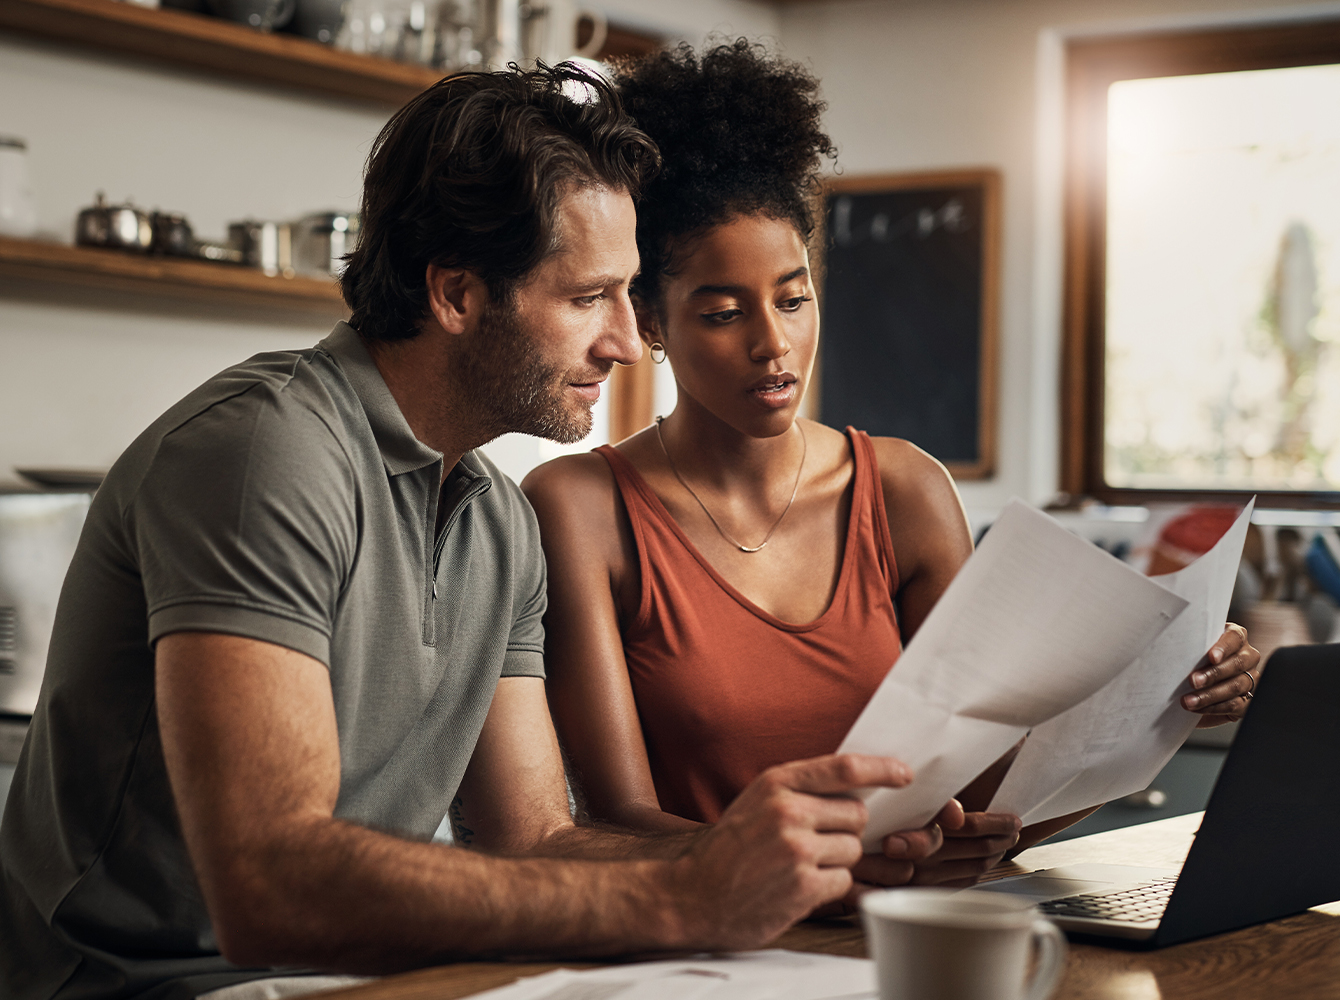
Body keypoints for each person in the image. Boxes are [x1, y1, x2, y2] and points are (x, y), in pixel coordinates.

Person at [0, 65, 939, 1000]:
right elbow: (269, 884)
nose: (622, 340)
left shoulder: (497, 518)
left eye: (627, 297)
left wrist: (788, 863)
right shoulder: (266, 453)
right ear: (455, 294)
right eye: (587, 300)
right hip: (152, 984)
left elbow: (537, 840)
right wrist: (682, 898)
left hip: (355, 980)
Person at [522, 41, 1262, 890]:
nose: (775, 344)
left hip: (908, 938)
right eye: (724, 313)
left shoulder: (903, 490)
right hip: (709, 949)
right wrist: (835, 869)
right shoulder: (581, 507)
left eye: (795, 299)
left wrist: (1166, 701)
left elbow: (988, 794)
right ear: (649, 320)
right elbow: (617, 820)